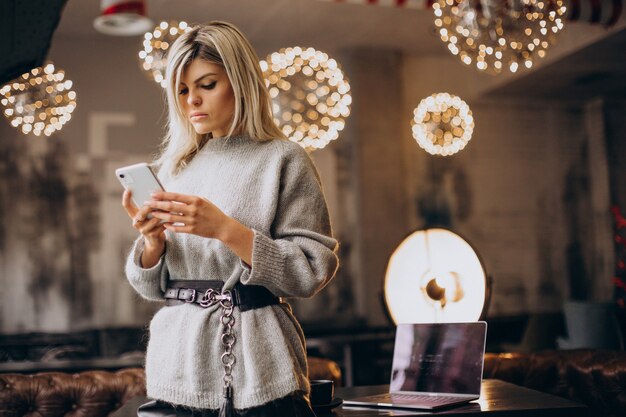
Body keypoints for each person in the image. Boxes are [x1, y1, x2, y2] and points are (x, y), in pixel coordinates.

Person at [122, 21, 339, 417]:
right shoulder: (174, 168)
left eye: (207, 85)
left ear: (241, 82)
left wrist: (226, 229)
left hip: (261, 367)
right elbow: (155, 289)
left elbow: (311, 270)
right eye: (183, 90)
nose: (192, 101)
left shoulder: (283, 158)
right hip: (176, 365)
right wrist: (152, 246)